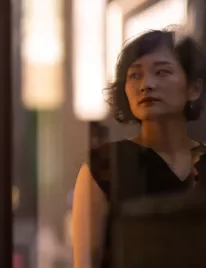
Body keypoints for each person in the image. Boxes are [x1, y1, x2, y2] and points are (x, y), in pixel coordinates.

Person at [72, 29, 206, 268]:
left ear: (193, 88)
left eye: (162, 72)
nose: (147, 85)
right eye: (135, 75)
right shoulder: (106, 166)